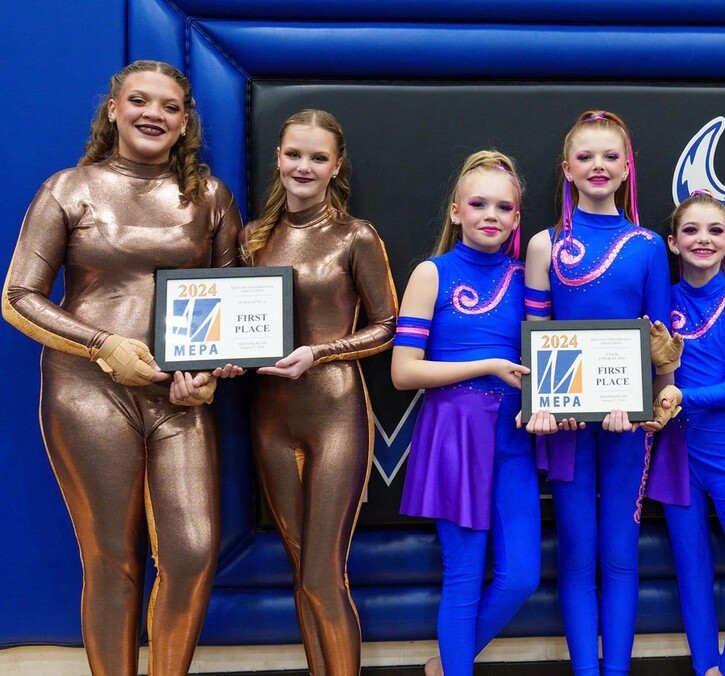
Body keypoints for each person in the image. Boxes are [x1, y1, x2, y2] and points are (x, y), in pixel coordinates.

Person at [1, 60, 240, 675]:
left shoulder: (210, 197)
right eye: (139, 101)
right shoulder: (68, 187)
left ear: (185, 122)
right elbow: (18, 296)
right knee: (111, 558)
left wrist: (206, 372)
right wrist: (103, 345)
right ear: (113, 109)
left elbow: (232, 299)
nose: (152, 115)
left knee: (191, 553)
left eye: (168, 106)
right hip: (87, 390)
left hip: (179, 396)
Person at [239, 109, 397, 676]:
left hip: (335, 412)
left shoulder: (355, 235)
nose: (303, 166)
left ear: (336, 167)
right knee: (299, 564)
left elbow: (386, 327)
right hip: (269, 419)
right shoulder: (252, 237)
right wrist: (227, 362)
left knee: (323, 571)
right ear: (278, 158)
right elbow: (235, 326)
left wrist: (319, 353)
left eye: (317, 157)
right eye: (293, 154)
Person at [524, 110, 677, 675]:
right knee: (576, 555)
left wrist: (657, 402)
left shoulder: (647, 246)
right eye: (585, 156)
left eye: (610, 156)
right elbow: (536, 337)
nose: (598, 166)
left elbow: (662, 345)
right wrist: (544, 403)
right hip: (564, 422)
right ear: (567, 169)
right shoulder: (545, 244)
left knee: (618, 557)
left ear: (626, 168)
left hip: (626, 424)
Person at [393, 150, 545, 676]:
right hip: (454, 435)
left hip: (512, 440)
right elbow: (404, 372)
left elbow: (551, 355)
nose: (491, 215)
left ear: (516, 219)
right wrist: (485, 364)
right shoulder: (431, 273)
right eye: (478, 203)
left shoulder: (528, 277)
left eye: (504, 208)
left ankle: (446, 664)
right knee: (462, 578)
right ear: (456, 211)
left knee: (522, 576)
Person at [643, 191, 725, 676]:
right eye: (692, 230)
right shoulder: (659, 301)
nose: (703, 239)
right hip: (675, 457)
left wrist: (681, 397)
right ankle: (706, 668)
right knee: (693, 579)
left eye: (715, 231)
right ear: (673, 243)